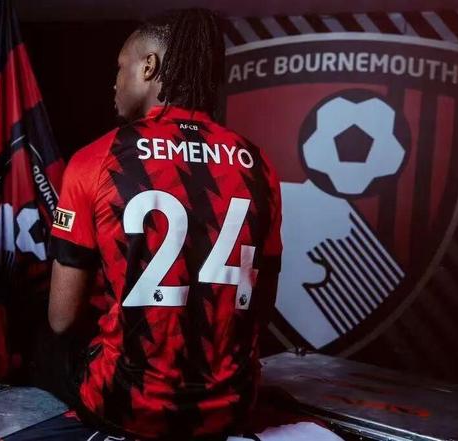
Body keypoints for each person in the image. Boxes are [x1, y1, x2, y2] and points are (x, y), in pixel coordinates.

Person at [46, 8, 282, 440]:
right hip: (230, 408)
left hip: (126, 408)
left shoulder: (95, 160)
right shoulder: (258, 164)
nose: (114, 83)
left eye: (120, 67)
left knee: (44, 347)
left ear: (149, 67)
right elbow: (261, 310)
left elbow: (62, 319)